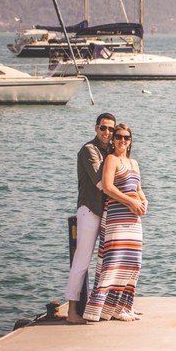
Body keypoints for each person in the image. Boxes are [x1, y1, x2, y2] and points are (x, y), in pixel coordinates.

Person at [83, 123, 148, 322]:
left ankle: (122, 306)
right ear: (113, 140)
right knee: (114, 262)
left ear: (130, 141)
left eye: (126, 138)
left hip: (133, 218)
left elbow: (138, 188)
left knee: (133, 262)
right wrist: (130, 201)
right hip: (117, 216)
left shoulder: (134, 163)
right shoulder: (111, 160)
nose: (122, 141)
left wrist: (144, 201)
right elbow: (108, 188)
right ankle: (100, 309)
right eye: (118, 137)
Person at [64, 113, 115, 325]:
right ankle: (72, 311)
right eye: (103, 128)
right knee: (82, 262)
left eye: (111, 130)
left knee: (110, 262)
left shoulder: (111, 151)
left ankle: (106, 306)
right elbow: (100, 182)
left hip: (107, 212)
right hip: (90, 211)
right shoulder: (89, 150)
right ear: (96, 128)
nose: (107, 133)